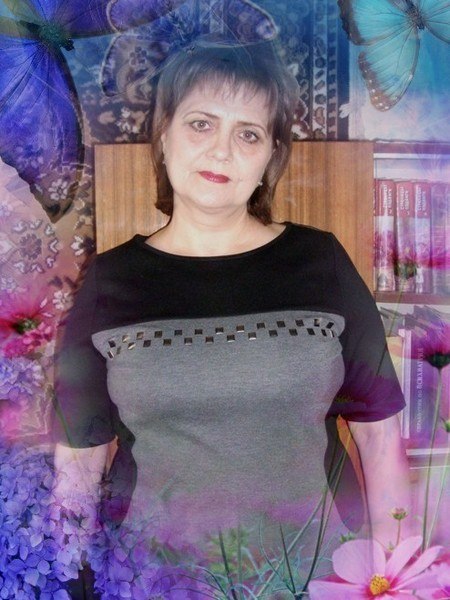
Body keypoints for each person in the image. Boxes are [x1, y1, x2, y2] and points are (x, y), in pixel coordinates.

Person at [53, 42, 412, 597]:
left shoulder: (321, 263)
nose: (222, 150)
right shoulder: (107, 281)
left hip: (316, 579)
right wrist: (68, 584)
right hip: (155, 582)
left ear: (270, 156)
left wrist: (399, 581)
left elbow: (381, 437)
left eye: (248, 134)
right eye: (201, 124)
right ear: (163, 134)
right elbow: (80, 462)